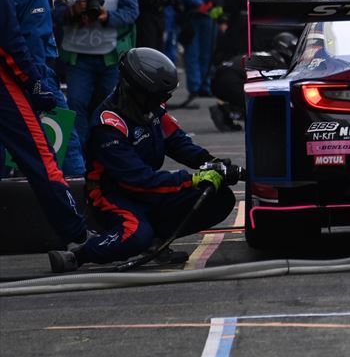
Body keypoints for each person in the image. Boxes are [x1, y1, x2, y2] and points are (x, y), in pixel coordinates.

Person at [48, 48, 239, 272]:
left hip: (147, 193)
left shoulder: (152, 111)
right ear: (137, 90)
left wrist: (212, 163)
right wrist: (194, 179)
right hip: (114, 196)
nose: (163, 100)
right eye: (159, 95)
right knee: (137, 235)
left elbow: (179, 143)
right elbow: (138, 180)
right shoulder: (108, 126)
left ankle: (155, 238)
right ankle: (80, 253)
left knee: (219, 197)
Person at [0, 0, 97, 254]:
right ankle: (83, 223)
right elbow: (20, 43)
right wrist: (36, 83)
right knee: (57, 153)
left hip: (24, 76)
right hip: (27, 79)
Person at [53, 0, 139, 176]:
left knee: (111, 108)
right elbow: (51, 15)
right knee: (76, 106)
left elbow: (132, 12)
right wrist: (71, 12)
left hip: (110, 56)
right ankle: (78, 165)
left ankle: (111, 158)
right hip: (78, 58)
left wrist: (106, 17)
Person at [209, 31, 296, 132]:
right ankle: (226, 110)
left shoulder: (265, 55)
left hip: (218, 78)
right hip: (230, 80)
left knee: (252, 98)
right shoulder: (276, 61)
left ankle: (228, 114)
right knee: (259, 103)